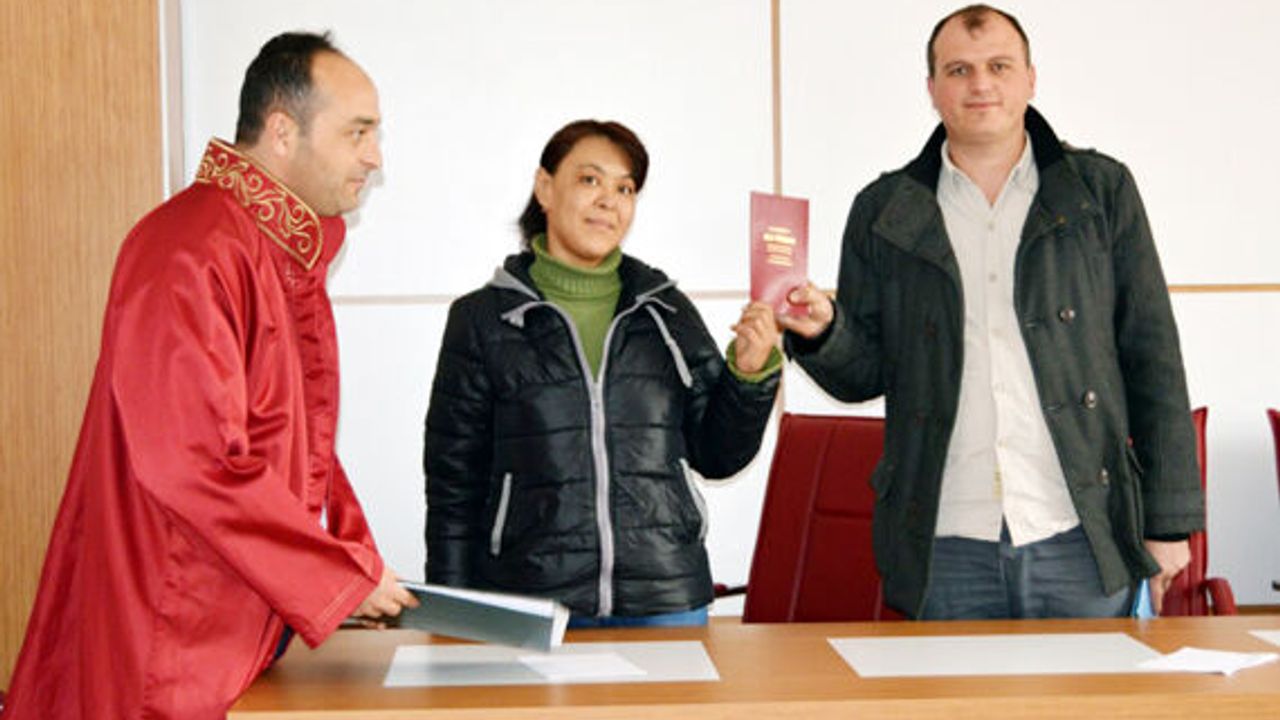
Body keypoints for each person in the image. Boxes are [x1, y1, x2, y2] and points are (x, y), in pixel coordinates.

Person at [5, 32, 416, 719]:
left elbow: (298, 445)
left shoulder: (267, 248)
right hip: (175, 630)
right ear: (282, 131)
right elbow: (191, 461)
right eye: (358, 132)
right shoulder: (191, 248)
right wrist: (333, 576)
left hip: (227, 625)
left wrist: (350, 562)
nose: (374, 157)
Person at [780, 5, 1204, 620]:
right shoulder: (885, 209)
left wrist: (1168, 523)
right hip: (945, 538)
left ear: (1030, 78)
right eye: (959, 70)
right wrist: (825, 333)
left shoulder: (1099, 191)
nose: (980, 84)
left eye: (999, 66)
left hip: (1081, 530)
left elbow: (1153, 356)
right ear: (932, 89)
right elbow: (863, 373)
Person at [424, 119, 781, 627]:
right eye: (590, 180)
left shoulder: (665, 311)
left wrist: (748, 375)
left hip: (665, 597)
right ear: (545, 188)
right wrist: (454, 612)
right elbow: (452, 486)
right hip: (532, 599)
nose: (608, 201)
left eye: (625, 189)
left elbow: (719, 456)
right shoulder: (482, 320)